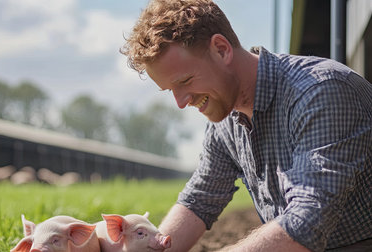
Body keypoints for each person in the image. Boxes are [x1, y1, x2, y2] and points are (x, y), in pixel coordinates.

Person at [120, 0, 372, 251]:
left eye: (185, 80)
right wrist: (147, 245)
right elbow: (200, 199)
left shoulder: (320, 92)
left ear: (221, 49)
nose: (181, 102)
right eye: (170, 90)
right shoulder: (226, 119)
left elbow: (304, 223)